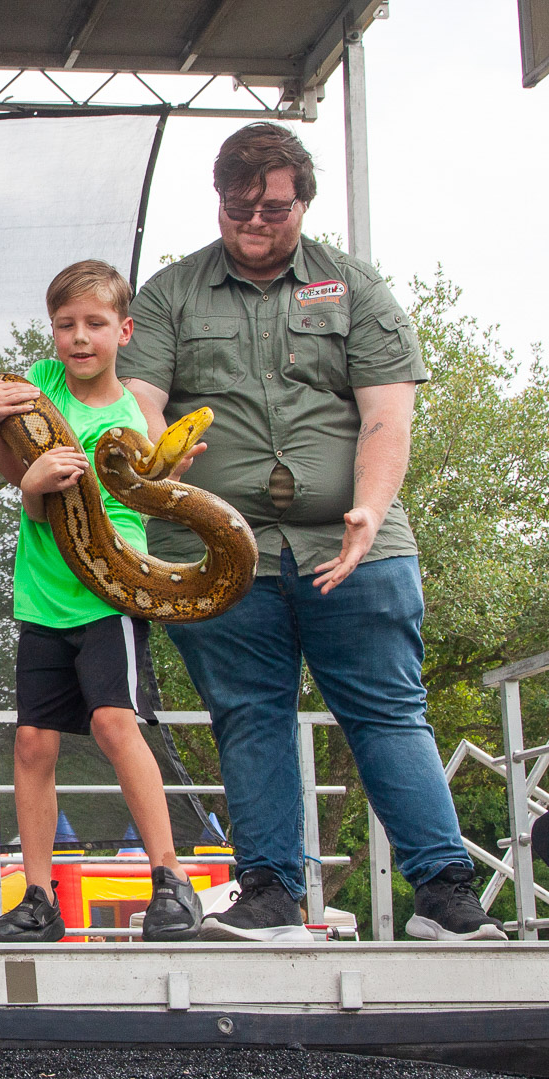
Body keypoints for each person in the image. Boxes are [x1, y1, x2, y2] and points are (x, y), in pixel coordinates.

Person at [118, 122, 503, 942]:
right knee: (247, 715)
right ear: (218, 200)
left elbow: (386, 419)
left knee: (389, 711)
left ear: (304, 203)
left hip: (355, 545)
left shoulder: (356, 287)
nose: (254, 222)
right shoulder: (170, 292)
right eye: (237, 207)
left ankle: (445, 891)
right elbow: (141, 397)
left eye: (273, 209)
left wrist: (368, 507)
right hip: (220, 550)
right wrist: (157, 463)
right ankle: (269, 893)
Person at [0, 260, 204, 943]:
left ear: (123, 331)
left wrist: (38, 488)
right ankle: (39, 897)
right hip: (42, 599)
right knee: (34, 740)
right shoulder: (39, 384)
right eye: (65, 324)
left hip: (108, 594)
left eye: (95, 324)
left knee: (113, 722)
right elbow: (18, 473)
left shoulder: (128, 419)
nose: (79, 337)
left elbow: (77, 517)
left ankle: (172, 880)